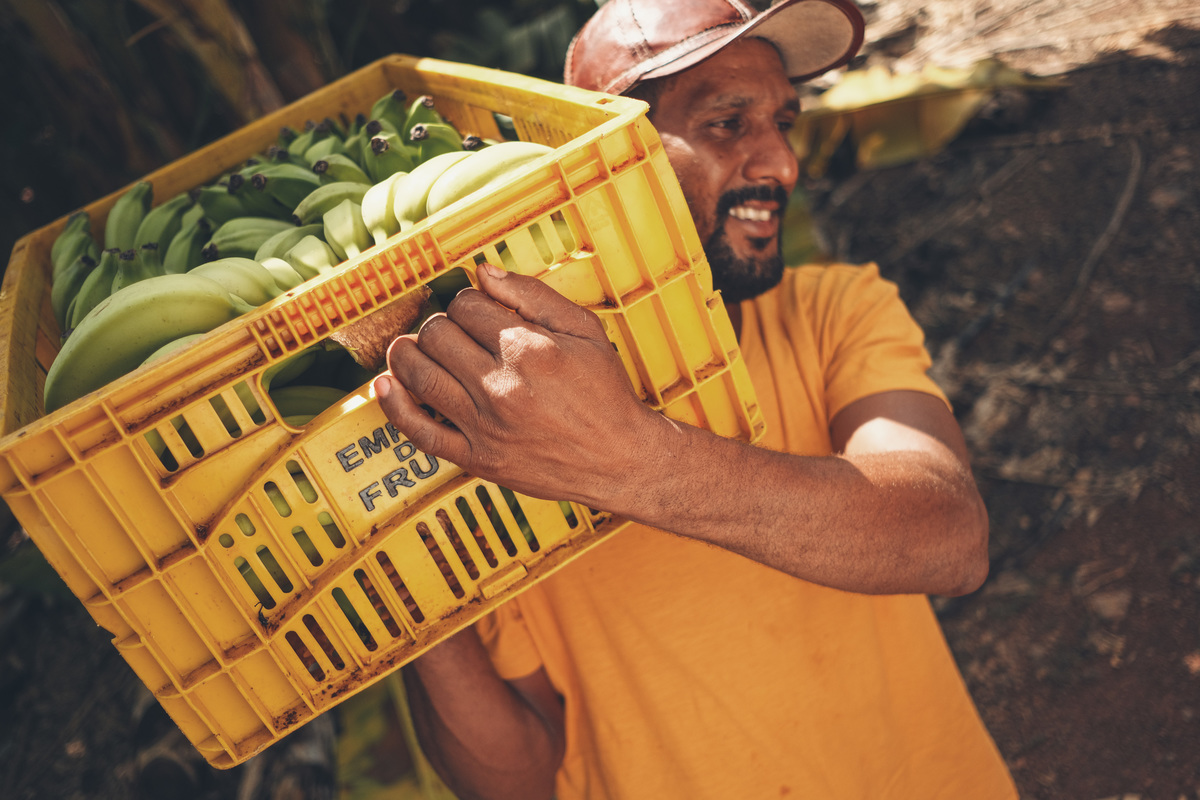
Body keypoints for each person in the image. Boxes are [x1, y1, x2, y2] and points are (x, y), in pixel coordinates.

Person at [370, 0, 1020, 797]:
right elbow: (519, 777)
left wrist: (630, 462)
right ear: (602, 158)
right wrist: (403, 595)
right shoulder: (497, 405)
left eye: (785, 120)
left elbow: (947, 538)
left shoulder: (833, 311)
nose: (780, 163)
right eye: (726, 123)